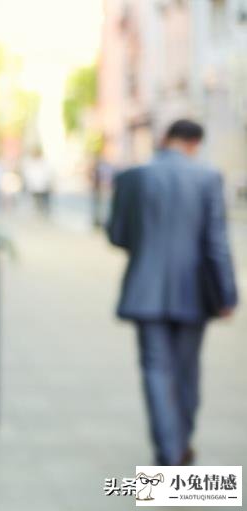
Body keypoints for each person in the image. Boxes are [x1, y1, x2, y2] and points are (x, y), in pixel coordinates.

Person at [107, 119, 238, 466]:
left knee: (155, 371)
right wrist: (228, 294)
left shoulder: (133, 177)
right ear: (195, 143)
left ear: (166, 140)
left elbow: (117, 235)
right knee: (187, 371)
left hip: (144, 290)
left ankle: (168, 451)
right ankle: (181, 442)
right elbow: (216, 244)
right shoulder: (208, 178)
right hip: (193, 292)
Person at [21, 147, 54, 215]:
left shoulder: (44, 162)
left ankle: (45, 214)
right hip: (35, 187)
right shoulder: (30, 163)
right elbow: (28, 175)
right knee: (37, 203)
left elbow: (49, 174)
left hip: (44, 186)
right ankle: (39, 214)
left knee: (45, 202)